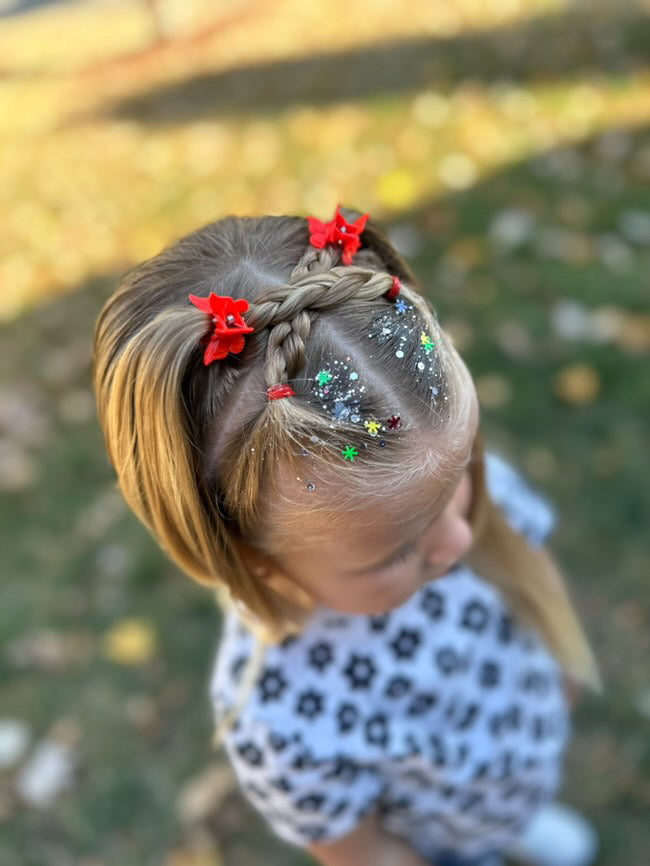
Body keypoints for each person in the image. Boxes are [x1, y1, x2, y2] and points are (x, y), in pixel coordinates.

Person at [93, 206, 602, 866]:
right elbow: (370, 854)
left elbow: (534, 578)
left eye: (459, 483)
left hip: (523, 753)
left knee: (519, 814)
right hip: (440, 846)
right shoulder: (284, 719)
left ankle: (519, 823)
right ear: (256, 561)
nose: (455, 540)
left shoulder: (459, 496)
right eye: (398, 552)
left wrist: (557, 684)